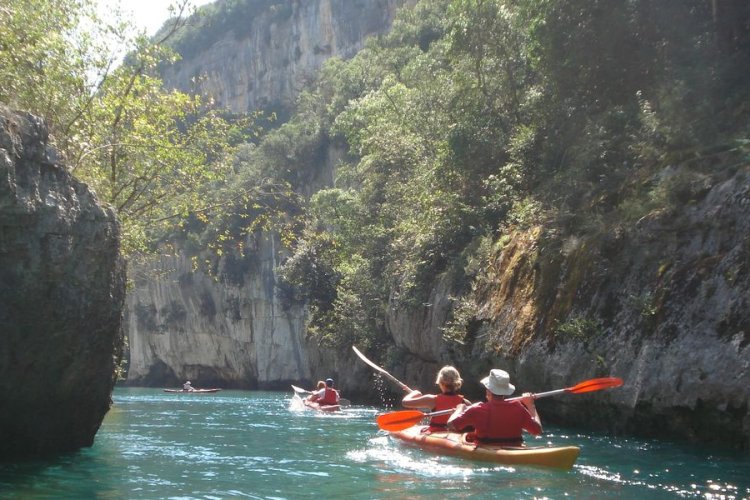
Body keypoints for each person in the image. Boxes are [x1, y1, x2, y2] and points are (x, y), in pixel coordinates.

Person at [447, 369, 541, 446]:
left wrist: (460, 408)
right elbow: (537, 431)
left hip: (486, 451)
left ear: (488, 391)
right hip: (514, 448)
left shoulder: (477, 409)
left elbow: (451, 425)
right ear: (505, 391)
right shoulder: (518, 407)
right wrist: (530, 405)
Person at [402, 365, 470, 430]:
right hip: (455, 437)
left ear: (440, 382)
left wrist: (415, 393)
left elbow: (405, 402)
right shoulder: (466, 403)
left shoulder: (431, 399)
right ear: (457, 383)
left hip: (436, 433)